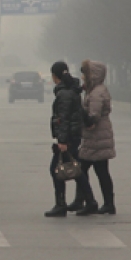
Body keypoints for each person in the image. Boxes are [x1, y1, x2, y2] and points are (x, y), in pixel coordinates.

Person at [45, 61, 95, 218]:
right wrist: (88, 122)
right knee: (76, 169)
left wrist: (62, 141)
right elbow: (79, 111)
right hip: (74, 136)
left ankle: (61, 205)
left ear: (55, 76)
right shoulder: (71, 90)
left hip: (69, 138)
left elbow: (64, 119)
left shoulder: (64, 93)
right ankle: (90, 201)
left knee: (56, 169)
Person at [74, 60, 117, 215]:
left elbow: (94, 116)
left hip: (96, 137)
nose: (83, 77)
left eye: (85, 73)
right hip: (97, 137)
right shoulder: (96, 90)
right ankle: (101, 203)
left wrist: (84, 119)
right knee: (98, 170)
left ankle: (89, 202)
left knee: (84, 170)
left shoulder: (96, 93)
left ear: (92, 75)